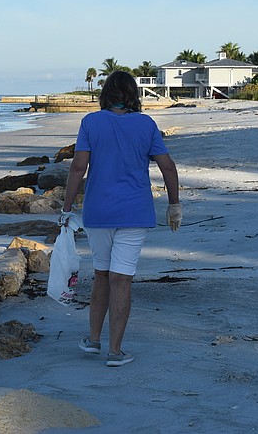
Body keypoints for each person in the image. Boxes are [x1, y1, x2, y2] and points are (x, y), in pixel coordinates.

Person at [61, 71, 181, 367]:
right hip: (134, 212)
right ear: (132, 94)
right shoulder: (146, 124)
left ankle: (93, 339)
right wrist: (174, 204)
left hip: (98, 212)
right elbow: (168, 167)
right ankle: (115, 351)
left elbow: (78, 168)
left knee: (102, 273)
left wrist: (66, 208)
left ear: (105, 93)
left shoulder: (91, 122)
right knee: (121, 279)